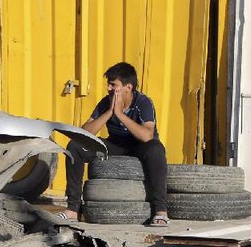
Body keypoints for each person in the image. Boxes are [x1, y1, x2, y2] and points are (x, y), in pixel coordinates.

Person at [58, 62, 169, 226]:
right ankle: (73, 209)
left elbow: (147, 136)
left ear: (128, 87)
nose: (109, 88)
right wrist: (110, 112)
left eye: (113, 85)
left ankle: (161, 211)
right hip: (115, 145)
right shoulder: (106, 102)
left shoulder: (143, 102)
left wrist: (120, 114)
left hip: (139, 146)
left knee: (156, 148)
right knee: (75, 146)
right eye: (108, 84)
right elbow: (84, 133)